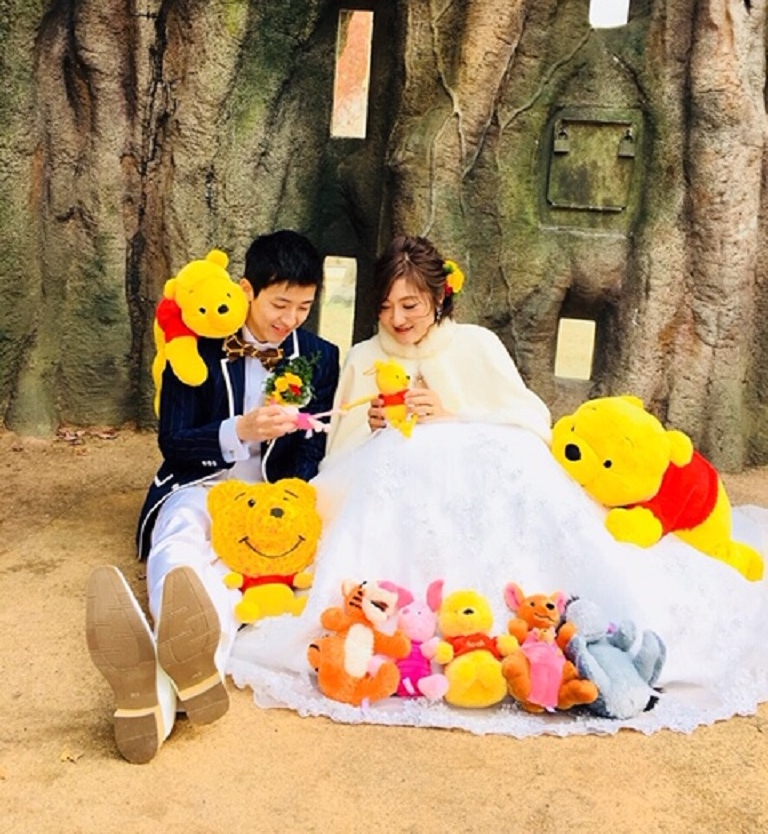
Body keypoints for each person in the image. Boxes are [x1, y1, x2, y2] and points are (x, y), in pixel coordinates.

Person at [228, 234, 768, 737]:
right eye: (387, 307)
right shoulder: (365, 357)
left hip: (482, 489)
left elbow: (529, 421)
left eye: (410, 305)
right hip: (399, 500)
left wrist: (453, 413)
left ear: (440, 298)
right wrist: (370, 428)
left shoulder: (476, 344)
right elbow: (337, 454)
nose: (398, 319)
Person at [85, 230, 340, 762]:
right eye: (280, 304)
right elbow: (173, 442)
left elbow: (312, 446)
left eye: (303, 307)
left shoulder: (319, 355)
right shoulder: (196, 344)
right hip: (199, 482)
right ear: (247, 290)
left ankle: (157, 689)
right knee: (180, 542)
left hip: (268, 498)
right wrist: (238, 429)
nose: (290, 319)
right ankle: (189, 663)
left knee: (235, 572)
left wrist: (291, 493)